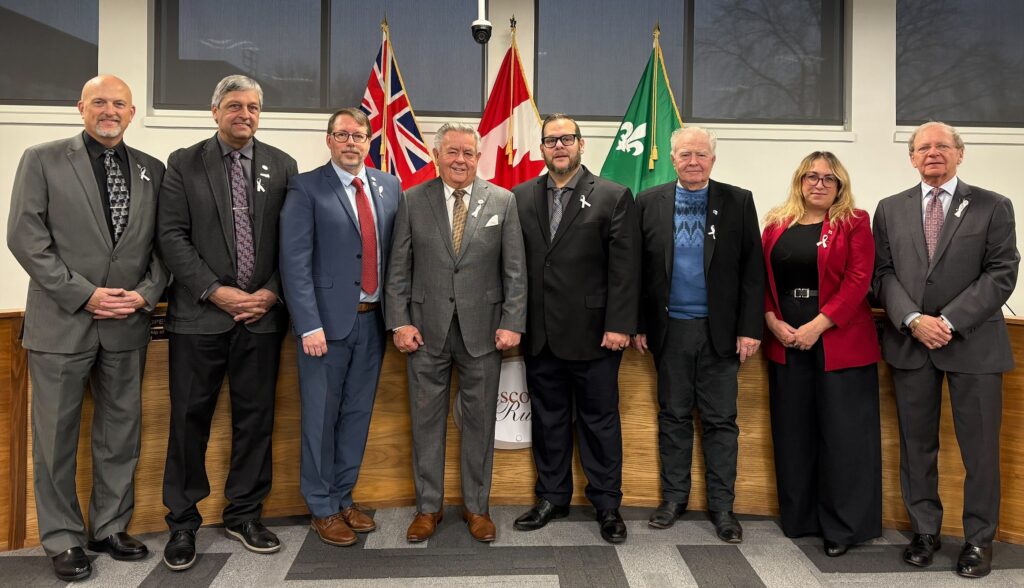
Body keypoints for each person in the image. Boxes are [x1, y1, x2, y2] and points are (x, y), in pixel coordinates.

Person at [7, 75, 167, 582]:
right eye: (100, 101)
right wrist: (85, 294)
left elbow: (165, 246)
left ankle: (110, 527)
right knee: (55, 440)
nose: (109, 110)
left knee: (120, 433)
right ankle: (62, 538)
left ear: (132, 112)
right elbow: (25, 237)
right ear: (81, 107)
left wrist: (146, 293)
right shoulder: (43, 158)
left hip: (127, 324)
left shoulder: (152, 170)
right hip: (62, 324)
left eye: (119, 103)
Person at [157, 74, 298, 571]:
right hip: (198, 319)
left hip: (261, 318)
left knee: (256, 422)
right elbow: (171, 236)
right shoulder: (183, 163)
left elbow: (293, 241)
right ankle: (182, 522)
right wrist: (216, 291)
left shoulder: (283, 166)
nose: (246, 114)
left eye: (254, 107)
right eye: (235, 105)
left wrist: (271, 292)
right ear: (215, 111)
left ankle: (244, 514)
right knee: (188, 423)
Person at [873, 121, 1018, 579]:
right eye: (923, 148)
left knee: (980, 451)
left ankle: (978, 539)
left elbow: (1001, 273)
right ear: (912, 158)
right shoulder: (890, 209)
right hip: (911, 345)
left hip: (973, 346)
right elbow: (883, 274)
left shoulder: (993, 206)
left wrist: (949, 321)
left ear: (960, 153)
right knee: (918, 447)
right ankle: (924, 531)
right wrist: (914, 320)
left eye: (942, 146)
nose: (932, 153)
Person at [384, 122, 526, 544]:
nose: (460, 160)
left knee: (480, 424)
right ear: (436, 155)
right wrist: (399, 320)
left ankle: (476, 507)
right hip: (425, 333)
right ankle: (428, 509)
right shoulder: (412, 200)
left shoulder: (503, 200)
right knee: (425, 424)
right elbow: (398, 269)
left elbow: (514, 270)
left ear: (477, 157)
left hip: (484, 333)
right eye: (452, 152)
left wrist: (512, 321)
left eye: (468, 152)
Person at [511, 114, 639, 543]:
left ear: (581, 145)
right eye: (551, 140)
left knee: (599, 423)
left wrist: (620, 324)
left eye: (567, 138)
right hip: (541, 333)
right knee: (548, 421)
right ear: (542, 148)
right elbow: (516, 267)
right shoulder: (521, 196)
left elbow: (626, 269)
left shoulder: (612, 195)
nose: (559, 145)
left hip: (596, 335)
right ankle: (552, 497)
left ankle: (607, 504)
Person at [634, 126, 763, 543]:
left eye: (701, 155)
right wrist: (638, 323)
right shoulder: (648, 202)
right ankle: (674, 499)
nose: (693, 161)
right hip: (669, 331)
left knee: (721, 422)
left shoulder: (737, 201)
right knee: (672, 417)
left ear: (713, 159)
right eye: (685, 154)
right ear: (672, 160)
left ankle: (723, 508)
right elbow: (636, 271)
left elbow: (752, 271)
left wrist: (749, 328)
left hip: (720, 333)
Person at [279, 107, 400, 546]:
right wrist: (307, 323)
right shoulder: (307, 186)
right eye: (343, 134)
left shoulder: (389, 186)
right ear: (329, 140)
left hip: (373, 323)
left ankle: (344, 496)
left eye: (360, 135)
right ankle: (322, 507)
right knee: (319, 419)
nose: (352, 142)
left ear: (370, 142)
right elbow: (294, 261)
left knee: (356, 416)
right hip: (324, 329)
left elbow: (397, 256)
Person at [761, 152, 881, 557]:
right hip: (786, 340)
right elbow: (759, 277)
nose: (819, 184)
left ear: (840, 186)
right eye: (811, 177)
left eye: (828, 179)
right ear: (799, 181)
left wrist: (819, 324)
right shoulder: (777, 223)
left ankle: (843, 527)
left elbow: (859, 280)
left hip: (839, 342)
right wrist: (771, 320)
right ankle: (801, 518)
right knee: (794, 434)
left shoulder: (854, 221)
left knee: (843, 438)